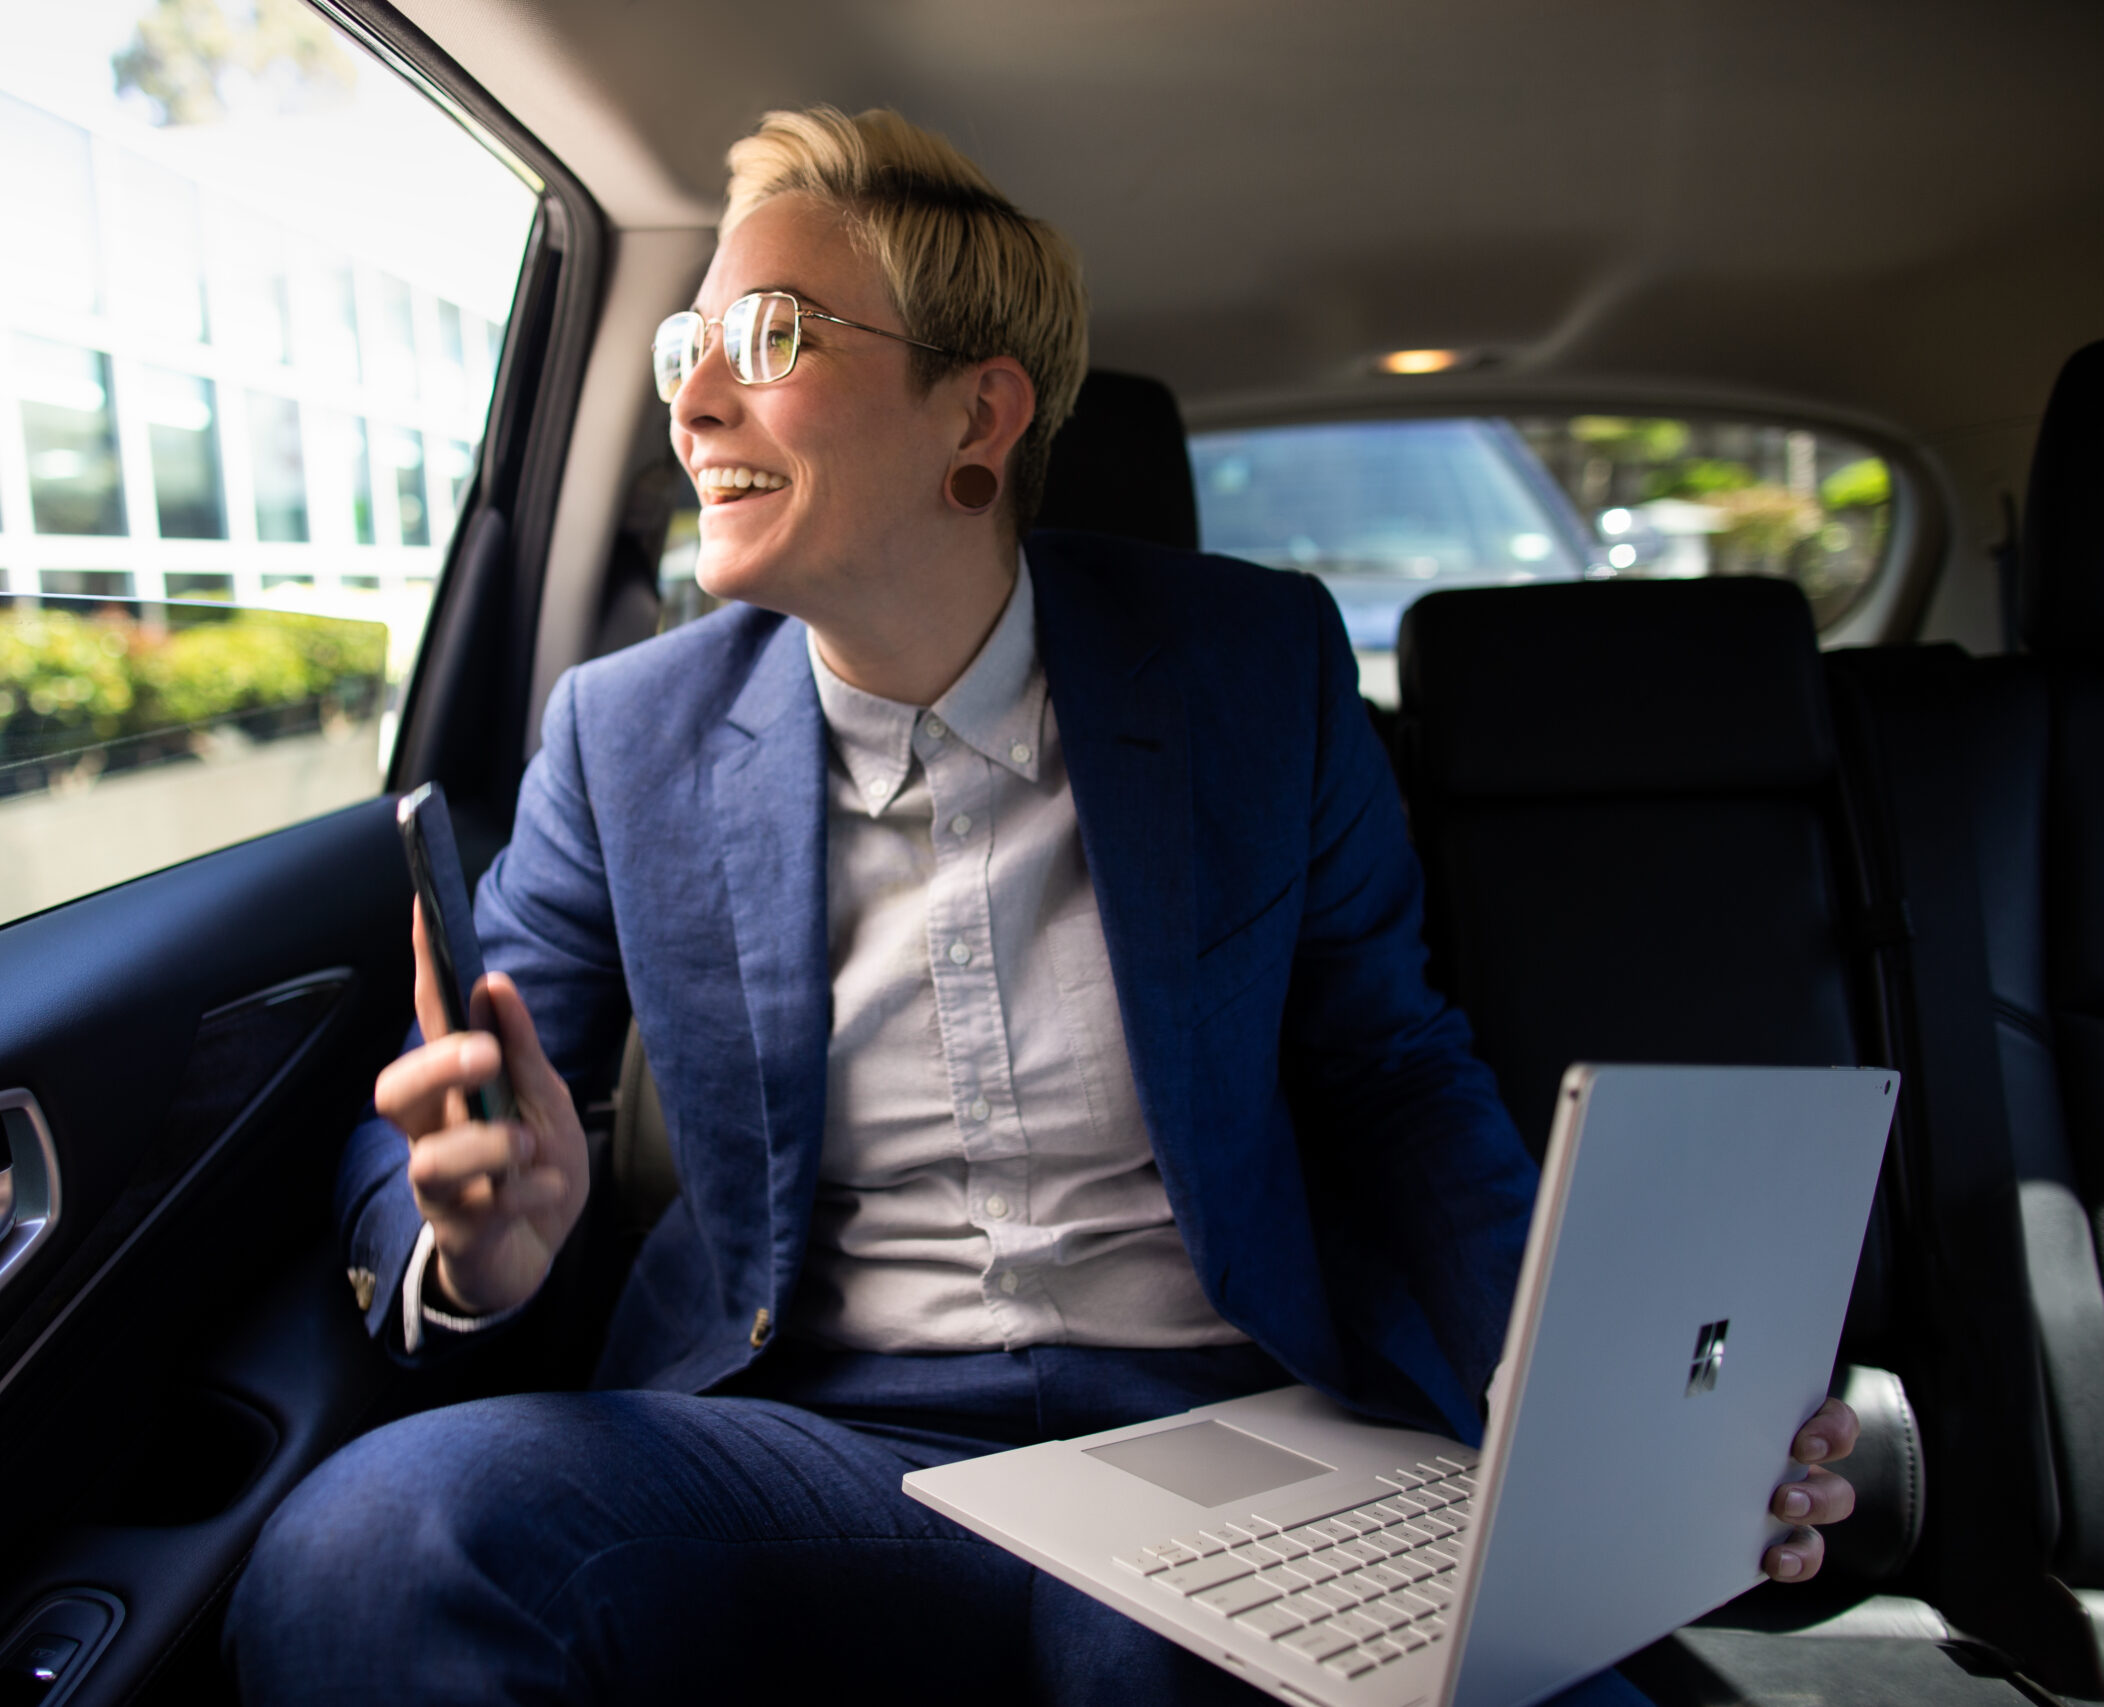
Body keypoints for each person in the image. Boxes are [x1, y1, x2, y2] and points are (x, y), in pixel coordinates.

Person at [228, 107, 1857, 1706]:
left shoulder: (1253, 671)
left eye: (771, 334)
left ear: (978, 415)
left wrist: (1564, 1391)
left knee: (1153, 1656)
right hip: (822, 1438)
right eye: (683, 350)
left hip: (1222, 1423)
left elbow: (1395, 1075)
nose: (697, 401)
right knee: (374, 1543)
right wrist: (478, 1248)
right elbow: (445, 1093)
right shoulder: (622, 731)